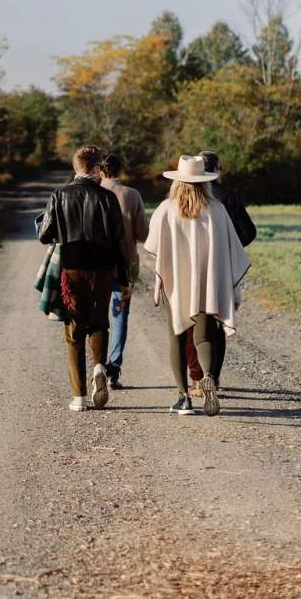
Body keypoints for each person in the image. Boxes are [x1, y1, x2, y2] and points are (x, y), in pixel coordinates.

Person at [145, 155, 250, 416]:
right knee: (204, 336)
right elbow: (232, 248)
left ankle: (183, 399)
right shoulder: (216, 210)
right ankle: (209, 379)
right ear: (205, 182)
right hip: (208, 282)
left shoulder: (166, 209)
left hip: (176, 283)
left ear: (177, 182)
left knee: (177, 337)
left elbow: (153, 245)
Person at [38, 144, 129, 412]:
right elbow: (118, 242)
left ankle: (78, 397)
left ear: (77, 167)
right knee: (100, 323)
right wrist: (123, 280)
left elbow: (45, 235)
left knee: (74, 331)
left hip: (72, 270)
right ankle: (99, 366)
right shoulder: (108, 198)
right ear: (94, 168)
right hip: (102, 270)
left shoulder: (59, 195)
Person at [186, 149, 256, 397]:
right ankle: (213, 376)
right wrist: (230, 249)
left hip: (192, 268)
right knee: (218, 320)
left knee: (193, 322)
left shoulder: (186, 195)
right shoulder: (228, 196)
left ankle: (196, 378)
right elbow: (248, 233)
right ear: (216, 170)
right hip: (222, 268)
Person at [99, 153, 149, 390]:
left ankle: (97, 366)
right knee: (120, 317)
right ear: (120, 171)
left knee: (97, 317)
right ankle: (114, 370)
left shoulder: (93, 193)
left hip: (96, 267)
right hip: (126, 267)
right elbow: (142, 234)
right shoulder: (132, 195)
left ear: (100, 172)